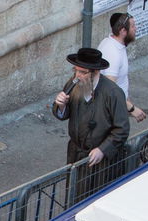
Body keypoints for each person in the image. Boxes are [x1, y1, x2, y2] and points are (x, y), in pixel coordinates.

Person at [52, 46, 130, 188]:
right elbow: (64, 113)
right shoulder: (73, 84)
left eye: (82, 72)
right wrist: (61, 106)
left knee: (97, 197)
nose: (77, 76)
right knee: (76, 196)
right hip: (77, 155)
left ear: (95, 72)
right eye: (75, 70)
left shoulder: (113, 93)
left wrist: (103, 149)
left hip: (102, 161)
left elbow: (122, 129)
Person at [96, 12, 148, 123]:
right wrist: (131, 108)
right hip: (111, 111)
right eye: (133, 26)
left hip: (117, 106)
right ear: (123, 31)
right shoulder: (113, 53)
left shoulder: (112, 43)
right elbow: (110, 90)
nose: (136, 29)